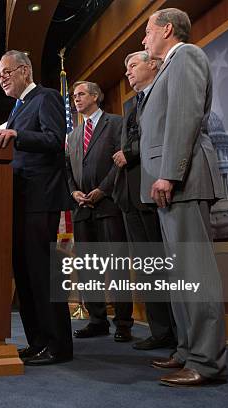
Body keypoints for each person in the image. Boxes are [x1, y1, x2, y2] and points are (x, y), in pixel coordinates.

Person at [139, 8, 227, 386]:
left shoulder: (187, 56)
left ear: (167, 29)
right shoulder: (167, 67)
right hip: (172, 183)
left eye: (147, 32)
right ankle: (189, 350)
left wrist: (169, 174)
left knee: (196, 274)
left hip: (183, 180)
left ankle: (207, 362)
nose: (144, 41)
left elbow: (185, 117)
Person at [0, 50, 74, 365]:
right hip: (20, 201)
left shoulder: (45, 97)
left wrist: (16, 134)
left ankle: (58, 345)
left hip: (41, 200)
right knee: (24, 277)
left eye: (5, 72)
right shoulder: (17, 108)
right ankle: (37, 342)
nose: (2, 79)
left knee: (41, 275)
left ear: (24, 70)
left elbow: (54, 140)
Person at [112, 51, 177, 350]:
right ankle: (160, 330)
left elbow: (163, 134)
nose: (128, 72)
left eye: (132, 64)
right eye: (126, 68)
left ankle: (175, 332)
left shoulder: (164, 92)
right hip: (130, 196)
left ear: (153, 64)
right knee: (147, 269)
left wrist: (131, 153)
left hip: (154, 193)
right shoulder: (132, 105)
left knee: (161, 267)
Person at [65, 81, 133, 343]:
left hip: (109, 204)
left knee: (116, 267)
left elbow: (120, 160)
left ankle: (124, 323)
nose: (76, 99)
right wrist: (74, 193)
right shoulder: (72, 135)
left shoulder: (116, 123)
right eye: (73, 96)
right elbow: (68, 170)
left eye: (81, 94)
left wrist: (103, 190)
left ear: (95, 96)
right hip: (82, 209)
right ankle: (97, 320)